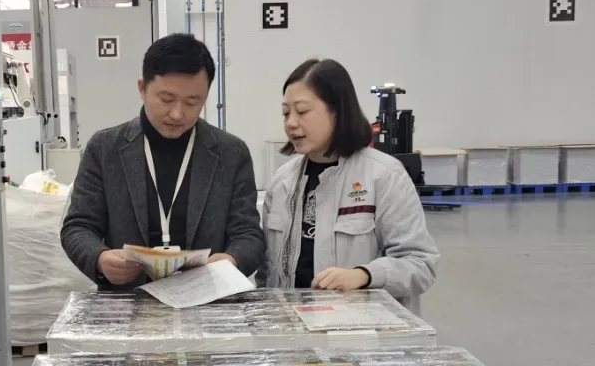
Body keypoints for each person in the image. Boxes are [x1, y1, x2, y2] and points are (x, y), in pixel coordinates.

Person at [61, 33, 265, 290]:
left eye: (192, 102)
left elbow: (248, 234)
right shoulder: (104, 149)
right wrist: (100, 259)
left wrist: (231, 260)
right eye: (167, 100)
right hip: (127, 302)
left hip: (207, 302)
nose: (178, 114)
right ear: (142, 89)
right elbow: (78, 227)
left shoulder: (231, 153)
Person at [257, 58, 438, 312]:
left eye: (302, 111)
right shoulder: (282, 182)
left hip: (363, 328)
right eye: (286, 113)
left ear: (337, 112)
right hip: (293, 326)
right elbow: (267, 270)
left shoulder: (384, 176)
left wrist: (364, 275)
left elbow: (420, 264)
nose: (291, 123)